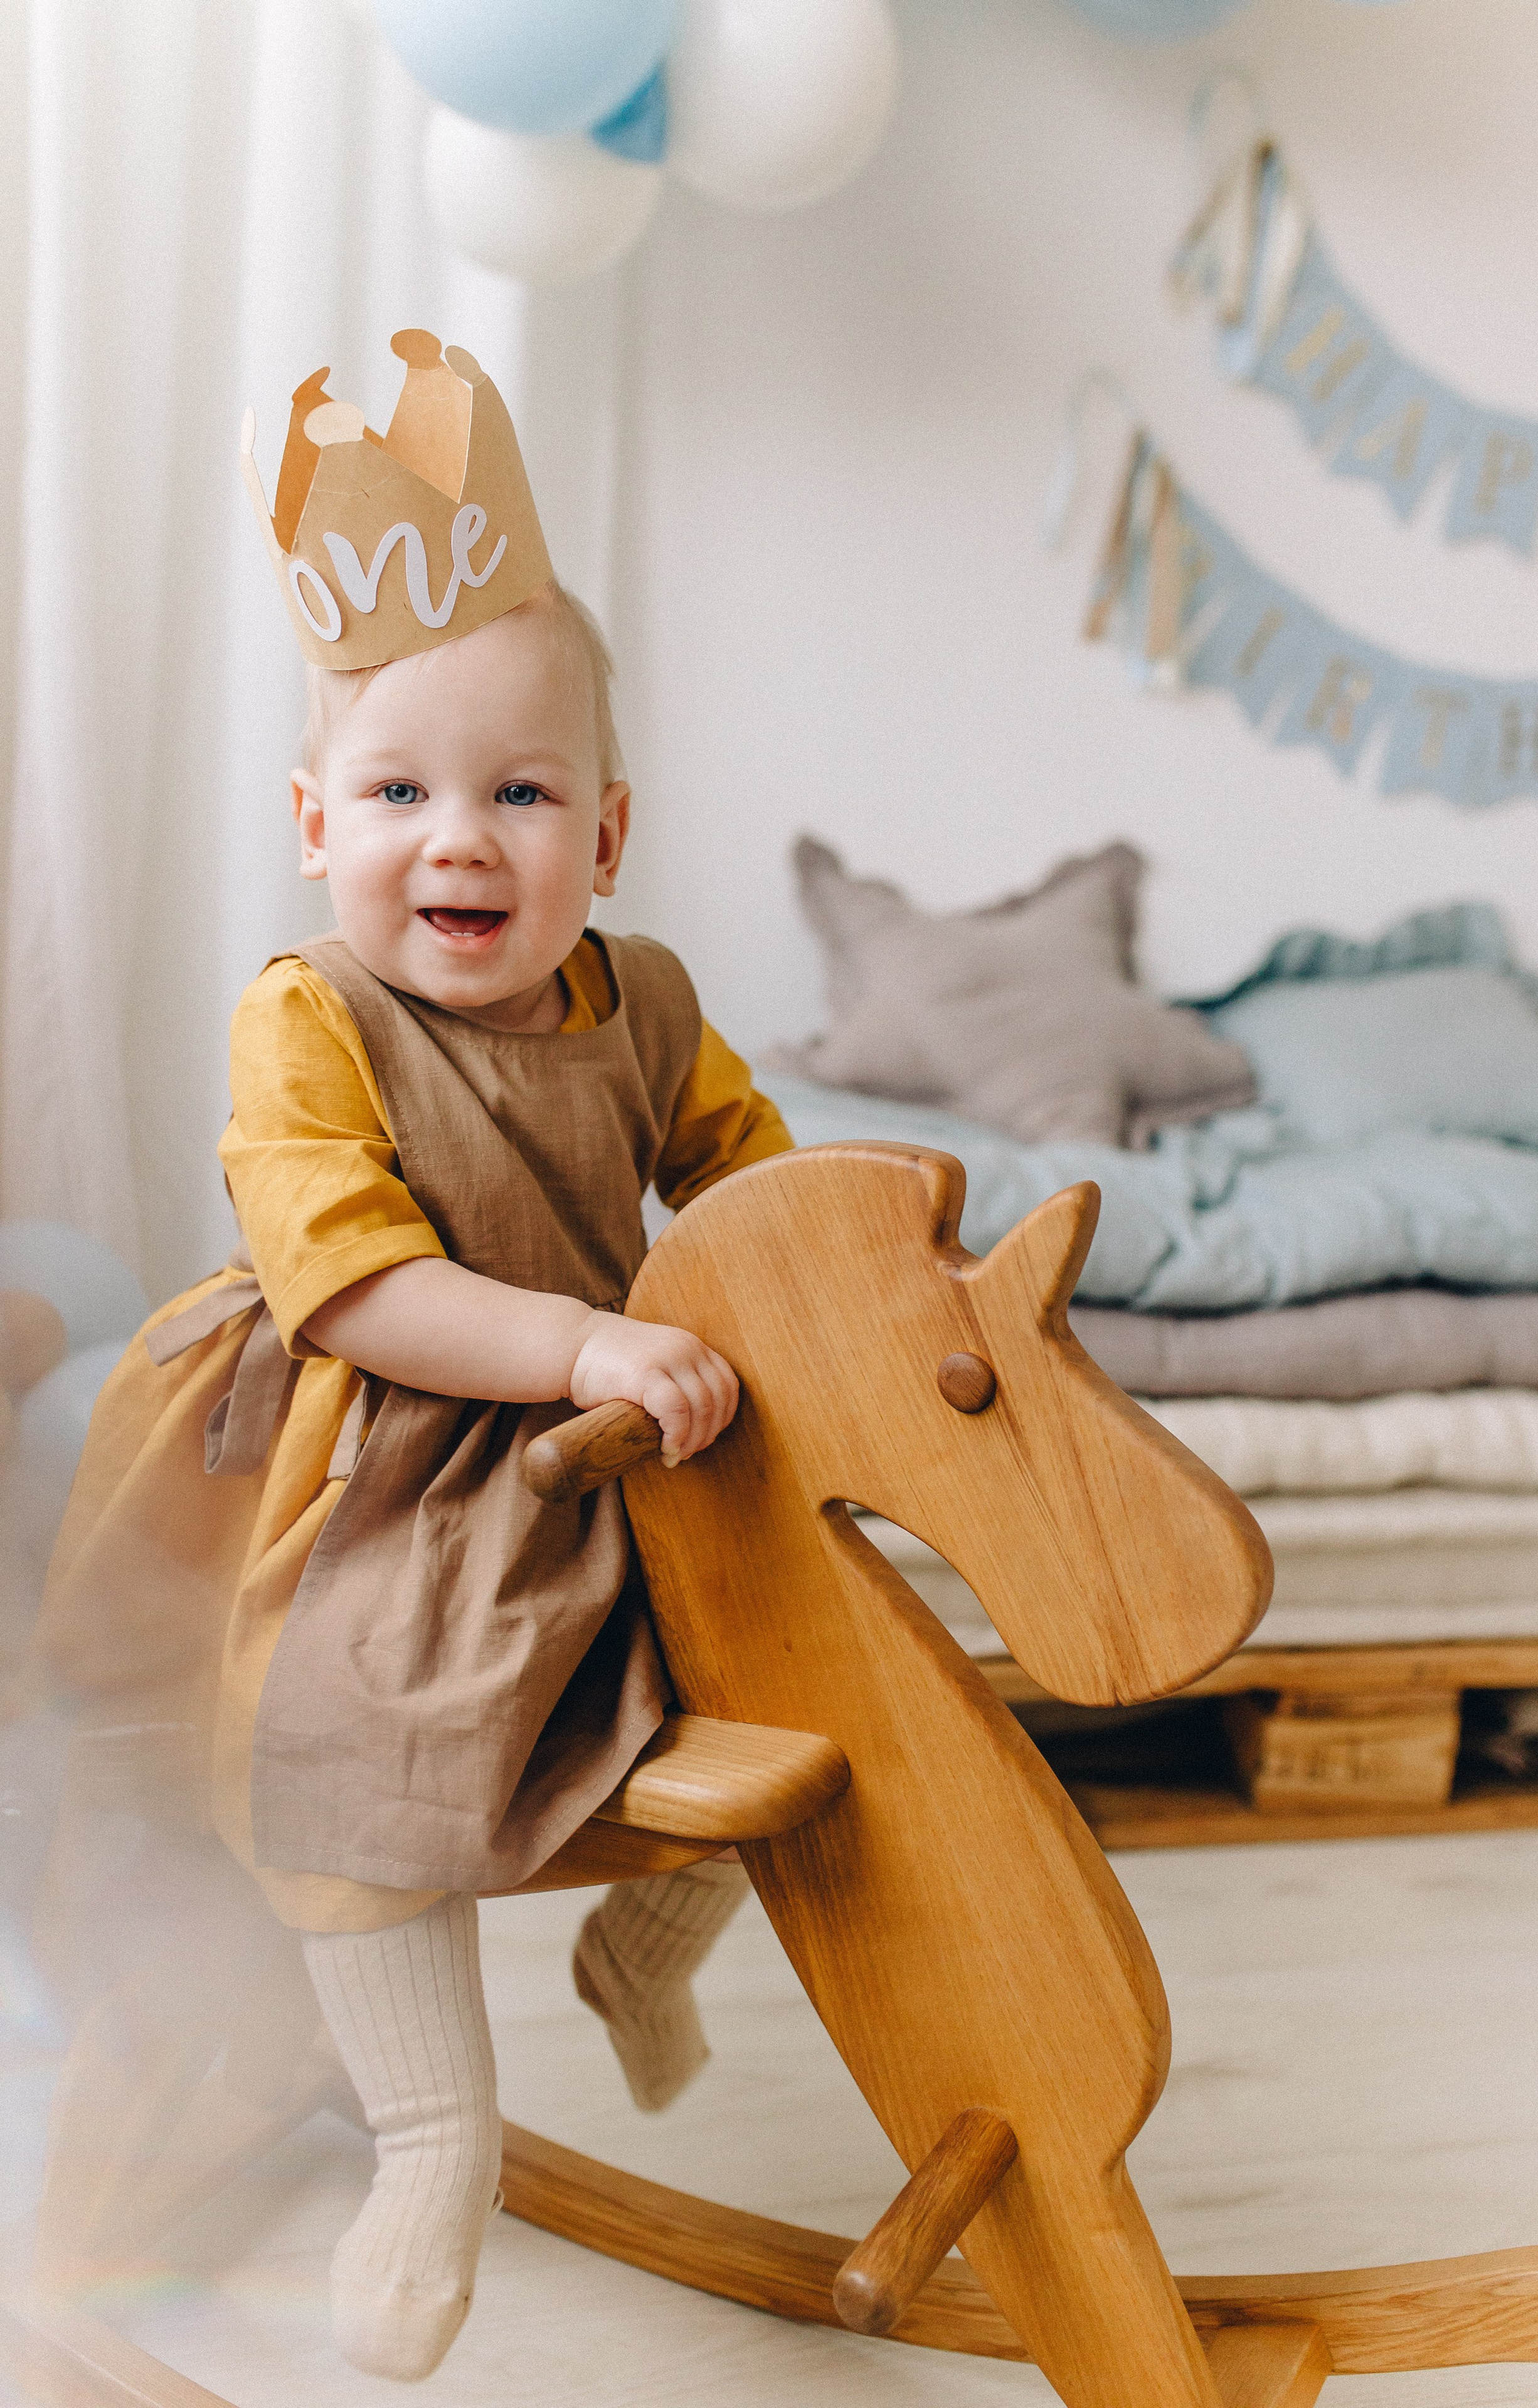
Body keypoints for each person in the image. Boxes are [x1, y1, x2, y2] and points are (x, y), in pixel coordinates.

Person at [35, 332, 787, 2380]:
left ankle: (650, 1939)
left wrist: (849, 1268)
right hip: (375, 1442)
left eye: (520, 792)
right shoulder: (311, 1020)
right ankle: (433, 2130)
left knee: (828, 1651)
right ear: (313, 819)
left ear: (608, 832)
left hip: (607, 1415)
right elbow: (352, 1285)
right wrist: (586, 1342)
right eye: (399, 790)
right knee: (350, 1729)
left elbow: (751, 1197)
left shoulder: (644, 1006)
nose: (459, 839)